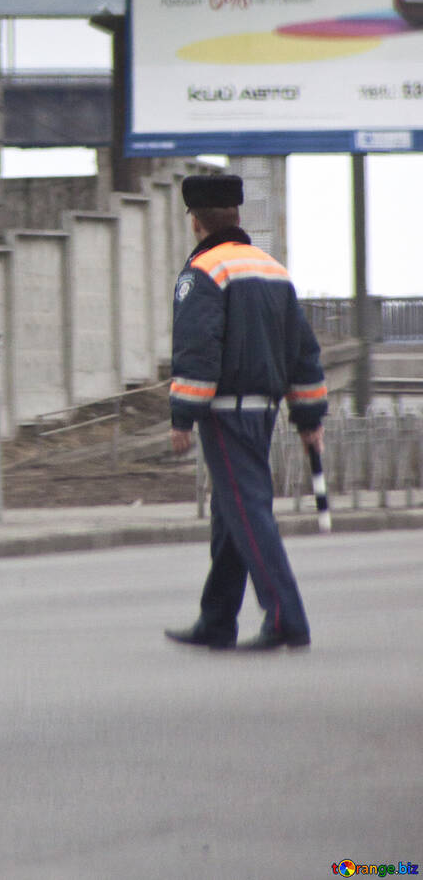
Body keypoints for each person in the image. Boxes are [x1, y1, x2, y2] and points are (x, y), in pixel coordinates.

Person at [165, 173, 326, 651]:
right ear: (236, 216)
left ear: (195, 221)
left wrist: (182, 416)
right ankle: (217, 620)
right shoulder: (271, 269)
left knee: (247, 511)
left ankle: (286, 618)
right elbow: (303, 351)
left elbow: (197, 348)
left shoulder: (205, 272)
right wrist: (309, 418)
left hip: (225, 413)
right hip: (263, 411)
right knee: (230, 512)